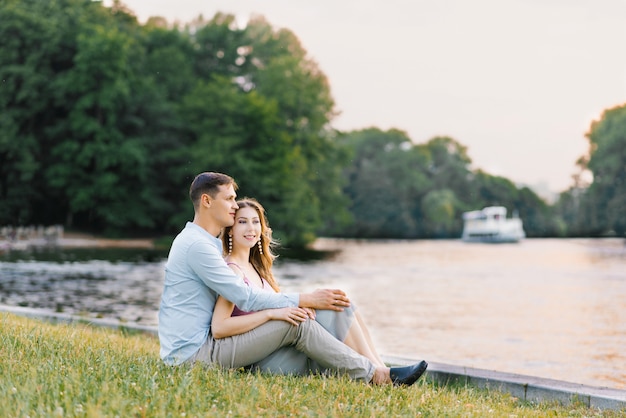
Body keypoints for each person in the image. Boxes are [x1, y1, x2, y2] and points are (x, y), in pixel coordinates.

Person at [158, 171, 427, 386]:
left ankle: (381, 370)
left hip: (202, 347)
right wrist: (296, 302)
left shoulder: (208, 244)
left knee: (328, 308)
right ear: (207, 201)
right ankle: (376, 376)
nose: (233, 205)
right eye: (229, 199)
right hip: (193, 355)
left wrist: (299, 306)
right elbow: (243, 298)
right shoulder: (199, 247)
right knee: (296, 323)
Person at [212, 198, 390, 373]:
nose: (251, 228)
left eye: (255, 221)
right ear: (230, 230)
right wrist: (271, 315)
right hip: (262, 359)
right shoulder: (232, 271)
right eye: (242, 222)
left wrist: (303, 306)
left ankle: (379, 367)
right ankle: (378, 373)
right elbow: (220, 327)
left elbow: (276, 302)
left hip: (281, 346)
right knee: (336, 308)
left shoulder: (255, 267)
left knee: (341, 303)